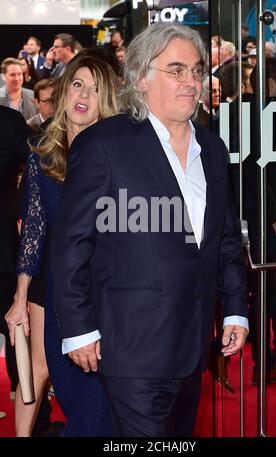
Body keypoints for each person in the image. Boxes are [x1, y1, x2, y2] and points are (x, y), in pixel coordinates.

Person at [52, 22, 249, 437]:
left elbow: (225, 239)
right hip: (129, 347)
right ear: (142, 77)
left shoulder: (211, 149)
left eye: (197, 71)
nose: (191, 81)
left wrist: (234, 309)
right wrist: (77, 329)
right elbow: (71, 243)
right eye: (176, 70)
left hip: (193, 346)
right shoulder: (106, 143)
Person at [5, 49, 119, 436]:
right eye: (77, 84)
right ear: (64, 90)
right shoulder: (41, 154)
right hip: (52, 287)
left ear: (106, 100)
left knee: (100, 392)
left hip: (102, 290)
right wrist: (20, 298)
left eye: (94, 88)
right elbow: (34, 230)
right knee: (46, 371)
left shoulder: (117, 156)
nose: (83, 95)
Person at [0, 106, 31, 420]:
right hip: (6, 244)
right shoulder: (9, 122)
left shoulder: (8, 122)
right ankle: (28, 403)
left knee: (16, 325)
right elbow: (41, 159)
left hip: (6, 246)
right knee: (16, 325)